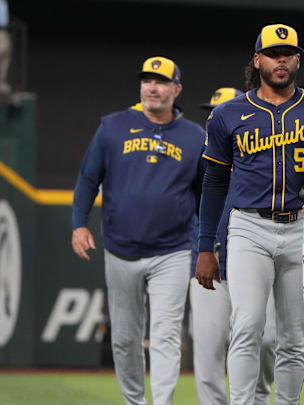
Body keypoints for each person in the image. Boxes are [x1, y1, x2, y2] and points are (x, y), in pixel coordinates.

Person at [195, 24, 304, 405]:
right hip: (248, 228)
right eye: (273, 53)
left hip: (301, 231)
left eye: (288, 53)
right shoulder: (228, 114)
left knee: (291, 336)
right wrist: (206, 245)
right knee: (247, 326)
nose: (281, 59)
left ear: (298, 59)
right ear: (257, 61)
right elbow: (213, 183)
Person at [71, 56, 206, 405]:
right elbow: (88, 178)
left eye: (161, 81)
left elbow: (206, 195)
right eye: (147, 80)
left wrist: (206, 242)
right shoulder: (113, 126)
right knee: (125, 339)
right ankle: (135, 402)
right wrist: (78, 224)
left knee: (165, 335)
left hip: (173, 251)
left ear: (176, 89)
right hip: (121, 249)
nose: (152, 87)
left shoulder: (194, 137)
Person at [192, 87, 277, 405]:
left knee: (267, 340)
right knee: (209, 350)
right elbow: (188, 203)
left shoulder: (264, 156)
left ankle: (258, 399)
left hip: (257, 260)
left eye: (222, 110)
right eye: (211, 112)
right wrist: (202, 245)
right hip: (209, 263)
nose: (215, 117)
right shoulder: (201, 157)